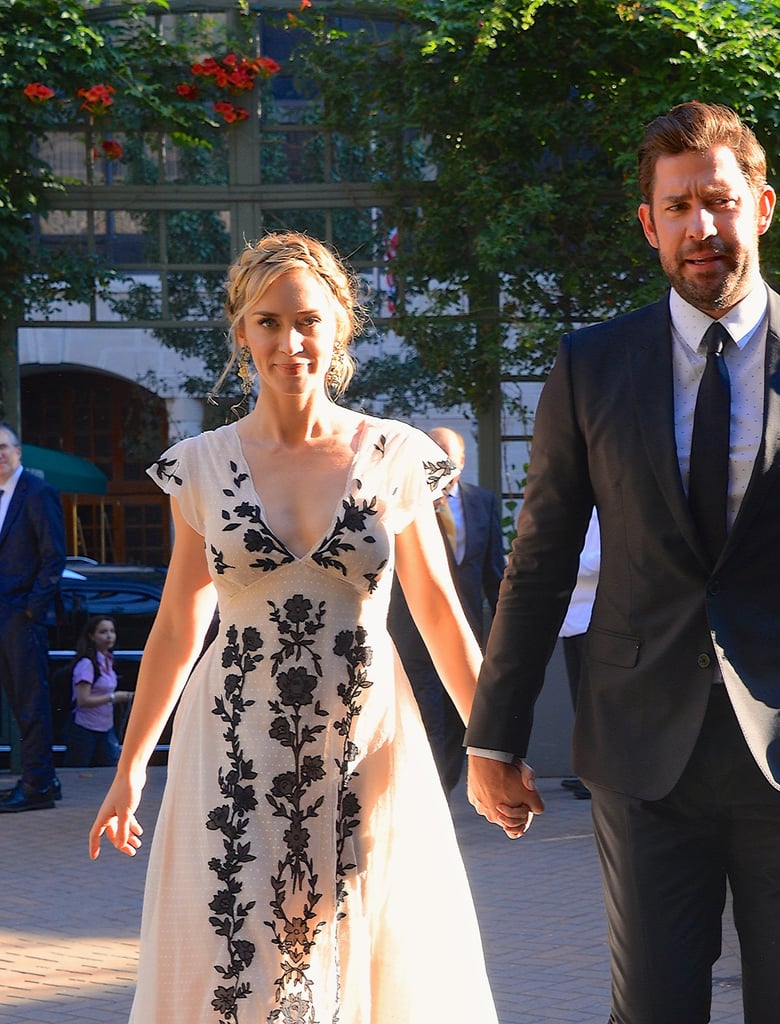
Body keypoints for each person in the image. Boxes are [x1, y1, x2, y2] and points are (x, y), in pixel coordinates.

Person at [464, 101, 780, 1024]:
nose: (700, 228)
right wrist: (493, 733)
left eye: (718, 200)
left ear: (762, 205)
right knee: (654, 1009)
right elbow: (542, 557)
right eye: (678, 208)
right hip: (640, 753)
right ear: (650, 224)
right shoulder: (591, 364)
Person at [88, 231, 528, 1023]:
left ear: (341, 326)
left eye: (308, 321)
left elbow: (438, 615)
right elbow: (177, 625)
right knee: (245, 967)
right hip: (229, 754)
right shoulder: (197, 463)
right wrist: (130, 769)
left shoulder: (397, 455)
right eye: (267, 322)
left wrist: (490, 745)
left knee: (352, 956)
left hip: (362, 751)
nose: (290, 343)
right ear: (240, 331)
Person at [388, 426, 504, 796]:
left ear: (461, 462)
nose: (437, 459)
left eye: (445, 454)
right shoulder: (401, 501)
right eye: (432, 451)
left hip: (465, 629)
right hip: (409, 630)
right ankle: (428, 792)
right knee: (426, 712)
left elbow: (492, 572)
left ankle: (447, 788)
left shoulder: (481, 502)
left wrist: (503, 631)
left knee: (459, 721)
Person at [0, 421, 66, 813]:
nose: (0, 455)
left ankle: (38, 784)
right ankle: (43, 779)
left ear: (19, 451)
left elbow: (53, 556)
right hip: (5, 614)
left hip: (22, 617)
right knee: (17, 700)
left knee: (31, 701)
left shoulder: (38, 493)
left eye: (4, 447)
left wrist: (31, 609)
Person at [558, 508, 599, 800]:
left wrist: (558, 563)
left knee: (595, 705)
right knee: (582, 703)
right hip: (573, 620)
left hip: (594, 619)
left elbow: (596, 562)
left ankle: (594, 775)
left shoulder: (600, 511)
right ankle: (587, 772)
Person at [65, 616, 134, 767]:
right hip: (85, 728)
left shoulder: (108, 660)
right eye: (103, 632)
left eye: (112, 631)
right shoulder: (86, 665)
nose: (109, 636)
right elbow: (83, 700)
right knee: (77, 771)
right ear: (91, 636)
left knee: (111, 769)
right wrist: (113, 697)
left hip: (106, 726)